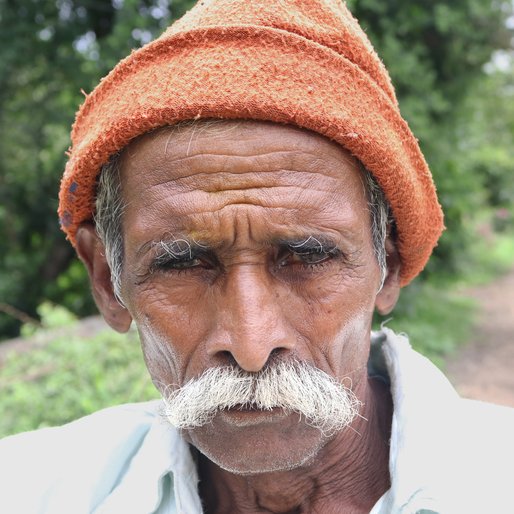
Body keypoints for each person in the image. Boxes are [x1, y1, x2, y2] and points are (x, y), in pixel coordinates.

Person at [1, 1, 513, 513]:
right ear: (109, 280)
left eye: (308, 257)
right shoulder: (30, 491)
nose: (251, 345)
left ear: (389, 264)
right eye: (182, 263)